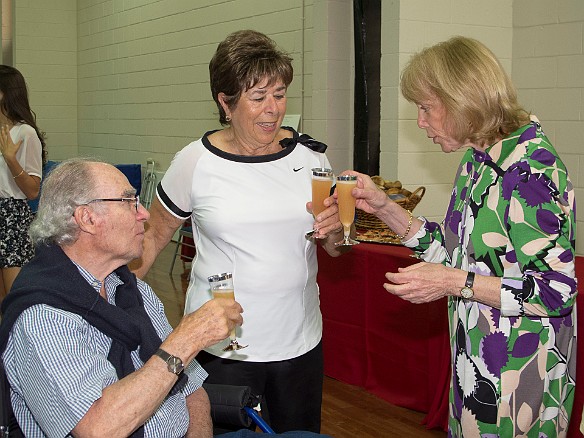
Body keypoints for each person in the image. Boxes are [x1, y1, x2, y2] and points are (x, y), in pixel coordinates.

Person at [348, 36, 577, 437]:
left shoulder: (529, 171)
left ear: (462, 100)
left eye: (426, 108)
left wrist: (454, 282)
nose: (420, 122)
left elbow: (556, 291)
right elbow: (453, 252)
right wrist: (383, 207)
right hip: (475, 365)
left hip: (520, 377)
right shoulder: (478, 159)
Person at [131, 29, 346, 433]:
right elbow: (153, 238)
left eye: (279, 94)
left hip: (299, 344)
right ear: (225, 102)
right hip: (222, 346)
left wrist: (336, 231)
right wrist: (109, 304)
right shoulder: (195, 161)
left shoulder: (311, 159)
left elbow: (335, 247)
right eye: (258, 97)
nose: (273, 109)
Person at [0, 158, 245, 437]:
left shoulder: (131, 288)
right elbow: (99, 429)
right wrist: (187, 339)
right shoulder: (43, 318)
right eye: (129, 201)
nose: (144, 214)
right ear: (87, 218)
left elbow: (192, 389)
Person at [0, 65, 46, 298]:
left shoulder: (25, 133)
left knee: (13, 298)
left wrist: (11, 159)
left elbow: (33, 191)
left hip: (12, 216)